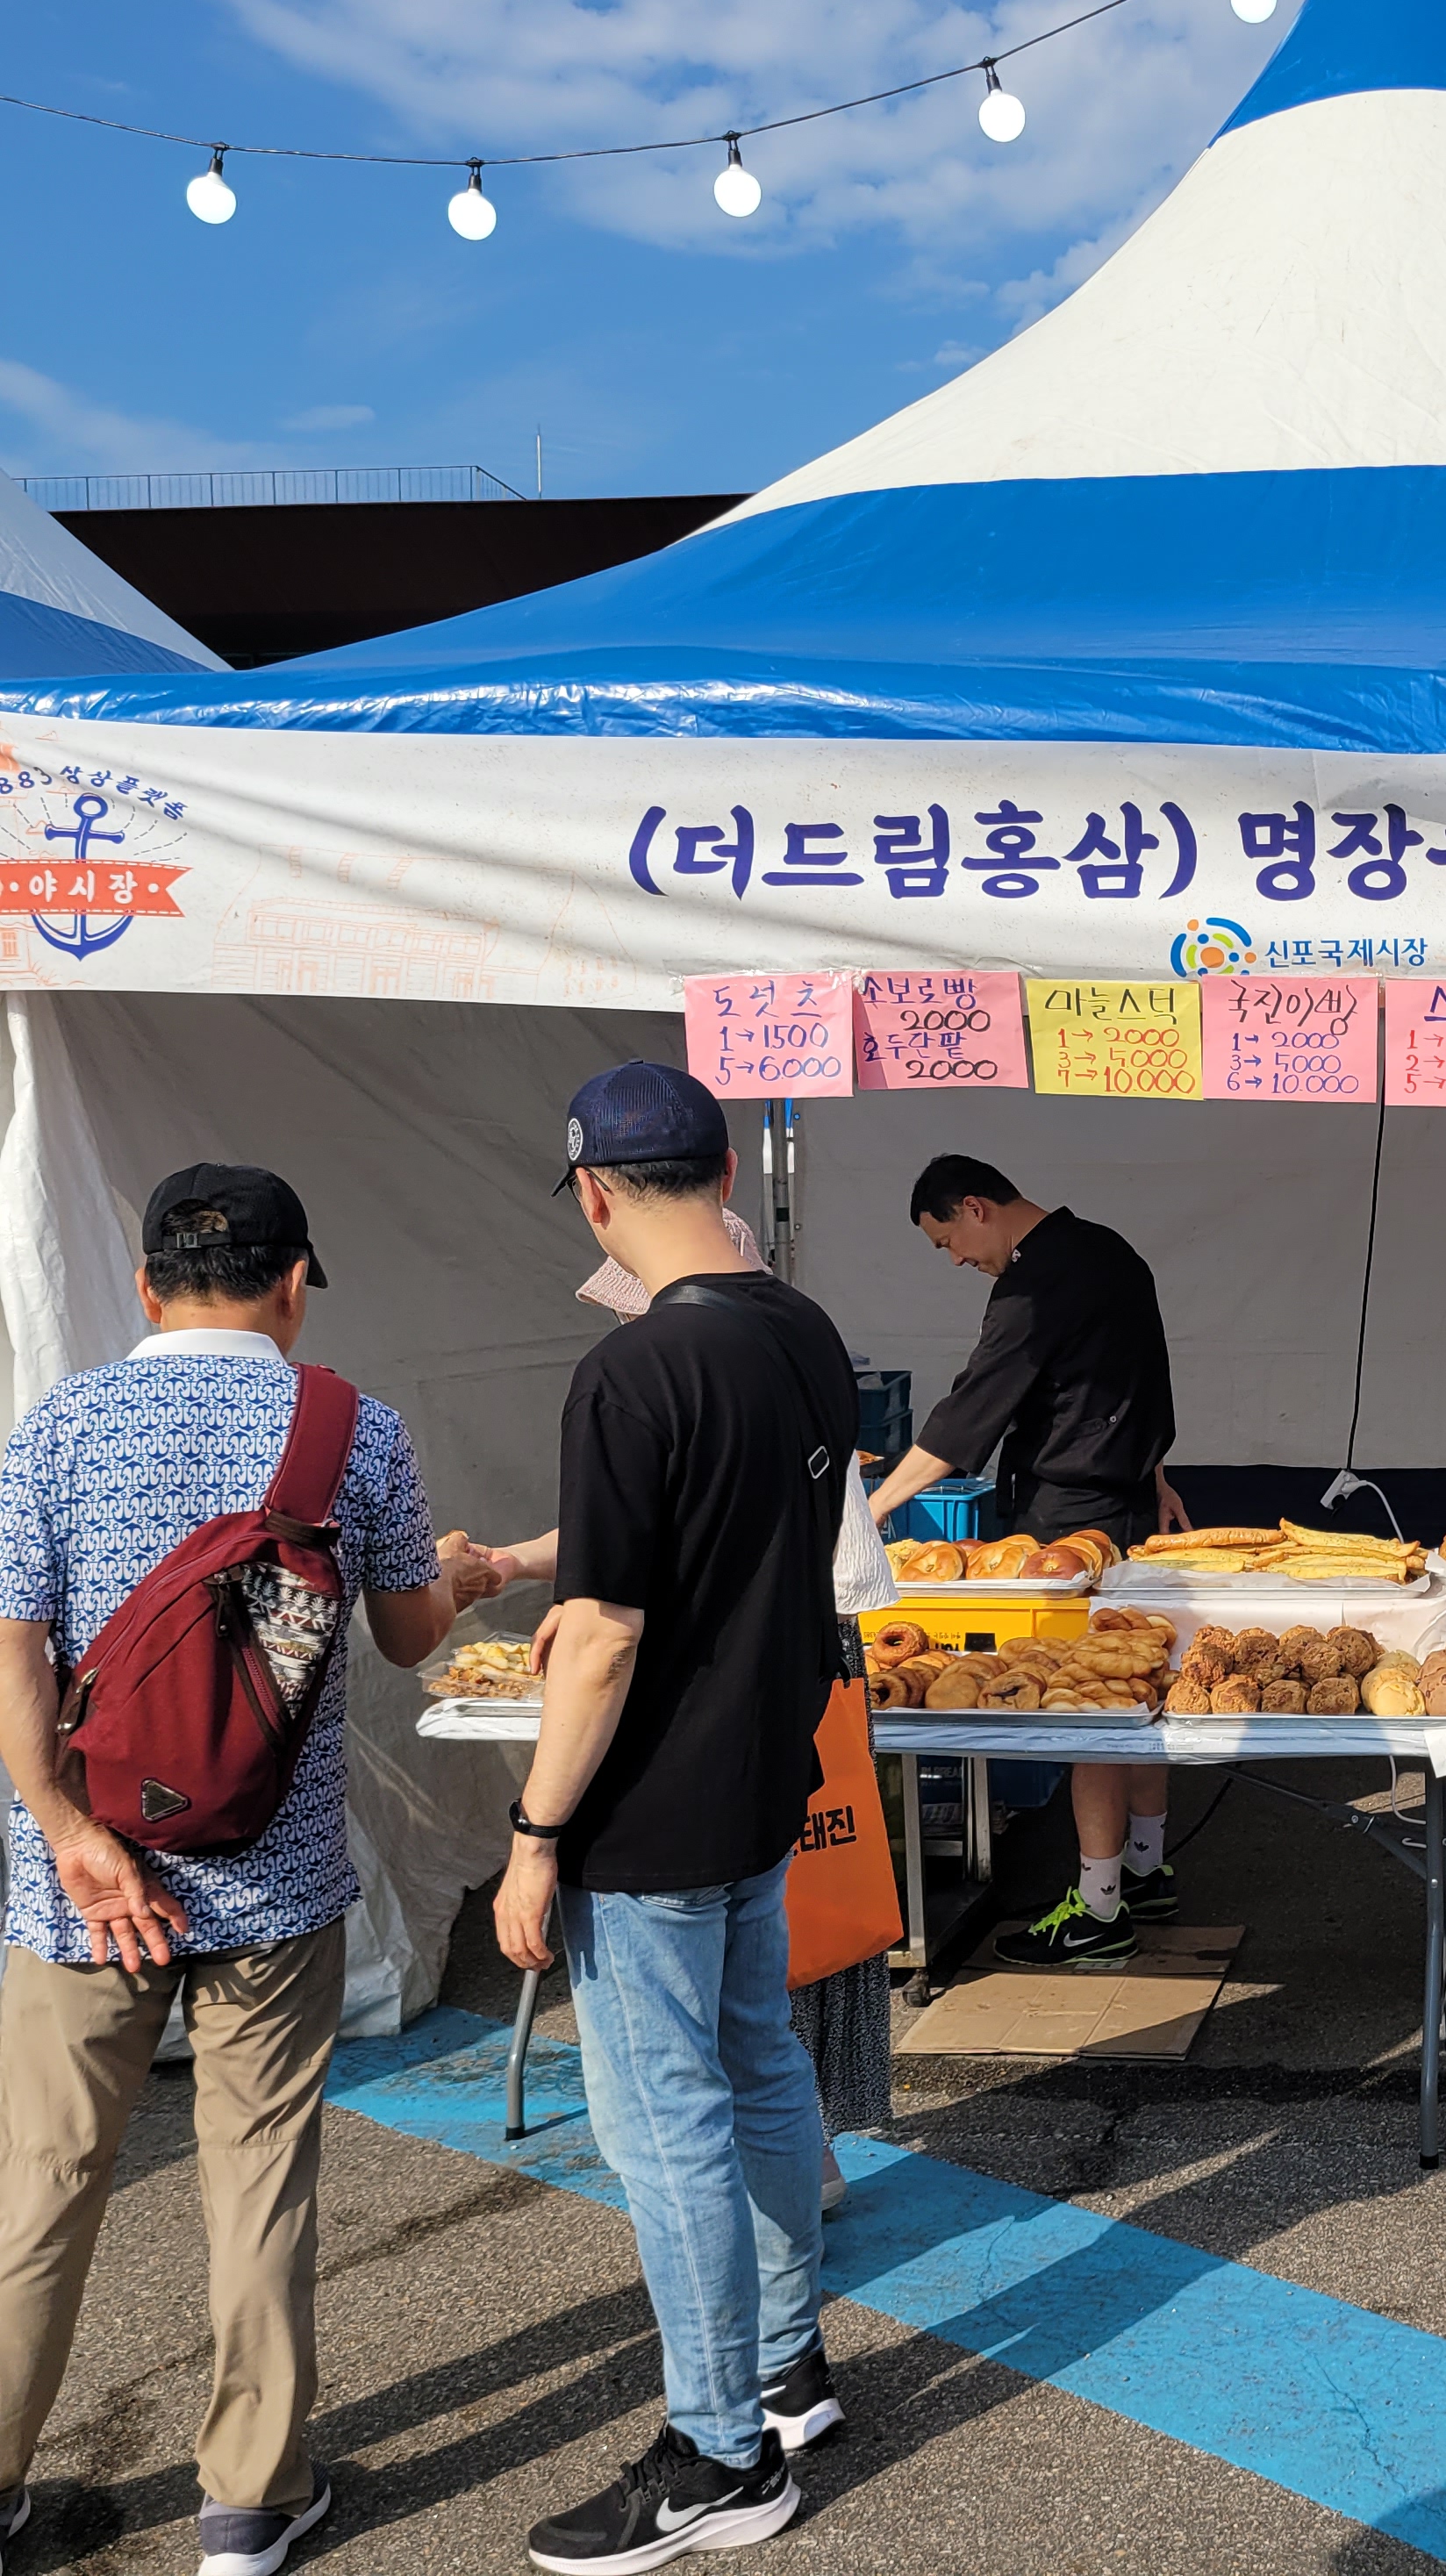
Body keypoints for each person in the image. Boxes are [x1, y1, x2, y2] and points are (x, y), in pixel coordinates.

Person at [0, 1165, 483, 2576]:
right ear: (292, 1285)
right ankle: (249, 2507)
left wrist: (70, 1831)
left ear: (146, 1287)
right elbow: (409, 1637)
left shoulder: (58, 1425)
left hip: (86, 1887)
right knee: (261, 2176)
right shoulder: (352, 1429)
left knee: (42, 2181)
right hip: (275, 1878)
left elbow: (14, 1651)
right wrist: (459, 1573)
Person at [491, 1063, 857, 2574]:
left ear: (592, 1194)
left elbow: (604, 1636)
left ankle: (717, 2454)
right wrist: (534, 1567)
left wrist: (533, 1833)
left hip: (647, 1810)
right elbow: (702, 1525)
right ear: (724, 1172)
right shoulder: (802, 1330)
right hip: (763, 1773)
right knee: (758, 2063)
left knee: (665, 2124)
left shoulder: (631, 1368)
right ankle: (786, 2366)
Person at [865, 1156, 1182, 1972]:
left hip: (1070, 1517)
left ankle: (1099, 1911)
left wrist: (871, 1510)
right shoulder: (1112, 1250)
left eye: (947, 1241)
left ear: (975, 1207)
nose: (955, 1260)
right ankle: (1146, 1870)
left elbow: (966, 1412)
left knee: (1092, 1710)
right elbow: (1138, 1384)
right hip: (1130, 1504)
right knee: (1137, 1686)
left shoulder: (1031, 1289)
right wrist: (1155, 1475)